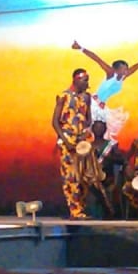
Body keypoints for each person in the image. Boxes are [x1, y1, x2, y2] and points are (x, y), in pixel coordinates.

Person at [72, 39, 138, 140]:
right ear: (116, 69)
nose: (126, 71)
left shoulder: (123, 77)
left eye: (126, 68)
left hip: (102, 106)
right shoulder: (110, 73)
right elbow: (96, 59)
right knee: (85, 127)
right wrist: (80, 48)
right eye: (123, 69)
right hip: (93, 103)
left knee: (100, 131)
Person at [52, 68, 94, 219]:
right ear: (76, 80)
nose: (87, 83)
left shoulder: (87, 97)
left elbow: (89, 119)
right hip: (68, 141)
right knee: (71, 176)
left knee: (84, 176)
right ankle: (75, 211)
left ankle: (81, 208)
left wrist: (85, 133)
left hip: (82, 140)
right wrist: (65, 141)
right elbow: (55, 122)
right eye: (85, 80)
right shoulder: (63, 96)